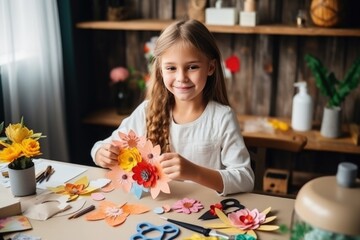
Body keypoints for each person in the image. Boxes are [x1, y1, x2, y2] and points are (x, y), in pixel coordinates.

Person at [91, 19, 254, 195]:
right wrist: (102, 154)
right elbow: (102, 146)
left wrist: (194, 172)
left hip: (207, 214)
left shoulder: (222, 118)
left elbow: (245, 178)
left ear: (211, 67)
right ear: (161, 70)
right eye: (171, 68)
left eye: (192, 67)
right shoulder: (147, 111)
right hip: (159, 211)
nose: (181, 77)